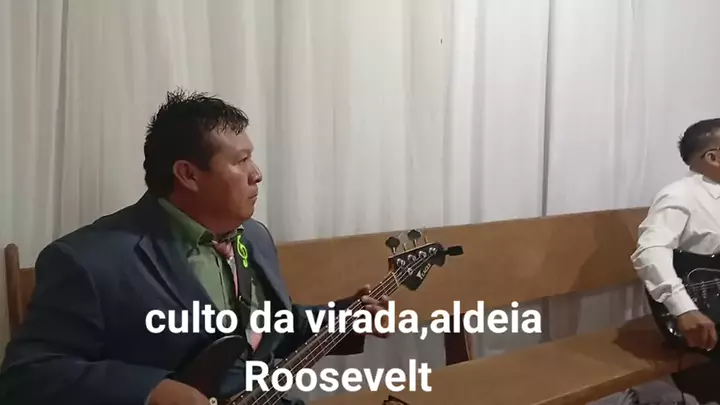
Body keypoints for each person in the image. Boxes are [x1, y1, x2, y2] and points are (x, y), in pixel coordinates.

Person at [0, 89, 390, 405]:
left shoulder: (253, 237)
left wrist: (347, 317)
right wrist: (152, 391)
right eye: (241, 161)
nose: (256, 174)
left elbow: (265, 333)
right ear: (188, 174)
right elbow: (26, 377)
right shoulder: (89, 260)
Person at [631, 118, 720, 354]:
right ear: (714, 157)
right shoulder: (680, 195)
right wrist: (684, 308)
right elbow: (650, 251)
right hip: (700, 312)